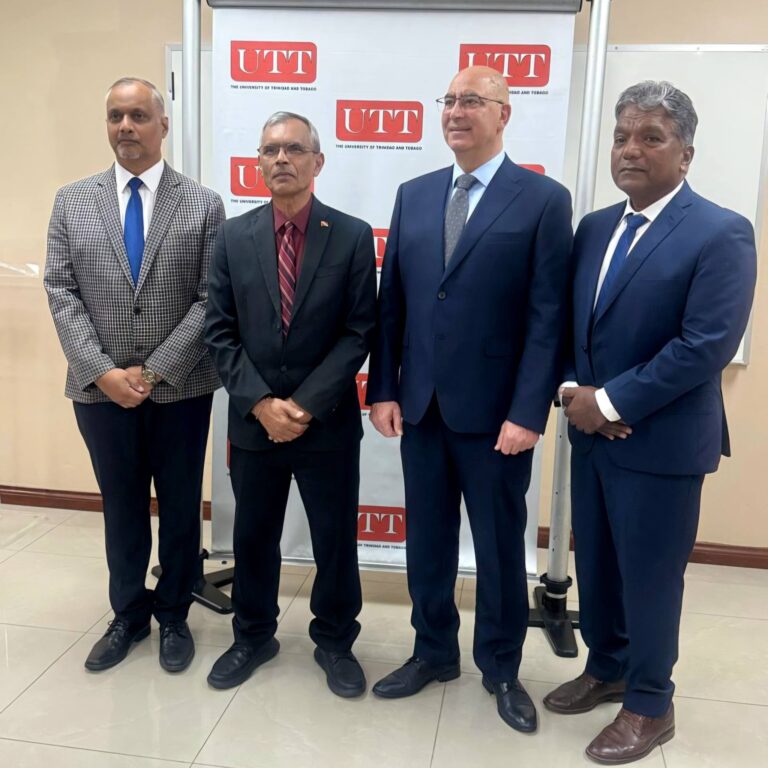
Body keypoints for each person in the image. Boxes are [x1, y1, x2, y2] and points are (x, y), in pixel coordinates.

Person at [547, 81, 757, 764]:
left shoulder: (721, 231)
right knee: (598, 566)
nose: (630, 150)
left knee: (651, 578)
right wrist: (577, 395)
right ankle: (607, 667)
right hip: (593, 438)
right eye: (621, 137)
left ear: (686, 153)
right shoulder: (594, 228)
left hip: (661, 444)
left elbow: (705, 345)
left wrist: (611, 403)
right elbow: (574, 329)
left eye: (650, 137)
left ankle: (650, 703)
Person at [366, 66, 573, 732]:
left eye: (473, 101)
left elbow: (548, 317)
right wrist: (385, 388)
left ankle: (502, 667)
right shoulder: (415, 194)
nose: (457, 111)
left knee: (499, 549)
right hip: (421, 408)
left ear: (504, 114)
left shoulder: (543, 200)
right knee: (427, 543)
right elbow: (393, 304)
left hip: (497, 419)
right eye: (449, 100)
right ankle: (433, 652)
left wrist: (528, 412)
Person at [44, 77, 225, 673]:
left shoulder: (202, 203)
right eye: (116, 116)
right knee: (121, 504)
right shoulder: (72, 201)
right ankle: (128, 614)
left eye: (139, 115)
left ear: (163, 125)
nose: (126, 126)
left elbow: (210, 299)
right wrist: (102, 372)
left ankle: (173, 613)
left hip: (181, 388)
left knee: (179, 504)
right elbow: (61, 290)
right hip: (99, 393)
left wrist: (153, 371)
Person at [204, 111, 377, 697]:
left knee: (334, 540)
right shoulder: (232, 236)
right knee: (253, 538)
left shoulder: (351, 235)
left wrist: (301, 405)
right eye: (270, 150)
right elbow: (219, 331)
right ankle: (253, 635)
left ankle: (336, 640)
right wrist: (260, 404)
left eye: (295, 149)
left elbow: (358, 330)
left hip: (326, 423)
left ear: (317, 161)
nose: (281, 159)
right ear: (258, 162)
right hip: (254, 424)